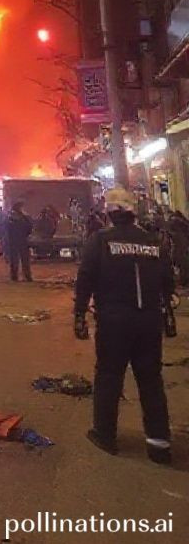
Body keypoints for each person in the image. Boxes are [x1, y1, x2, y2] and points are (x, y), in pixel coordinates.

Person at [74, 187, 176, 464]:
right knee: (151, 380)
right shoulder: (153, 241)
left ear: (109, 212)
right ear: (133, 212)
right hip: (149, 322)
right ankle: (159, 445)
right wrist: (167, 312)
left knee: (109, 376)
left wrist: (80, 315)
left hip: (114, 322)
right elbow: (168, 282)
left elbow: (85, 279)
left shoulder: (100, 241)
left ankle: (105, 434)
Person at [6, 201, 33, 282]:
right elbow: (30, 227)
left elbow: (6, 231)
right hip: (22, 240)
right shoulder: (24, 218)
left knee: (15, 260)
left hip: (14, 241)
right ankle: (26, 276)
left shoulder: (10, 218)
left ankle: (15, 276)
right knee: (24, 260)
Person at [168, 211, 189, 287]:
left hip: (181, 248)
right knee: (183, 264)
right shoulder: (182, 224)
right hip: (183, 248)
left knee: (183, 264)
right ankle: (184, 281)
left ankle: (184, 281)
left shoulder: (175, 224)